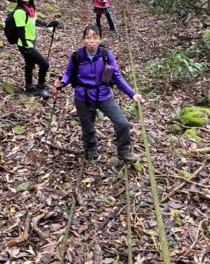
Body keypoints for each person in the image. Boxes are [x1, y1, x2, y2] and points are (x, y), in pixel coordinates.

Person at [54, 24, 143, 162]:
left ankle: (124, 151)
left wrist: (132, 94)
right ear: (83, 39)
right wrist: (63, 83)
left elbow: (117, 77)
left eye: (95, 38)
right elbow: (69, 73)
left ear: (100, 39)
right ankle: (91, 148)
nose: (91, 41)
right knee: (87, 125)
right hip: (82, 96)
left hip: (103, 95)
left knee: (122, 123)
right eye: (88, 38)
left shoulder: (106, 55)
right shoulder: (77, 56)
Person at [13, 0, 59, 99]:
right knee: (44, 64)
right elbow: (20, 30)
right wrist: (26, 46)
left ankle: (29, 87)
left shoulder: (29, 7)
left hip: (30, 41)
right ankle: (40, 87)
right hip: (25, 43)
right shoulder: (19, 11)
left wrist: (48, 24)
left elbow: (34, 20)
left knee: (29, 64)